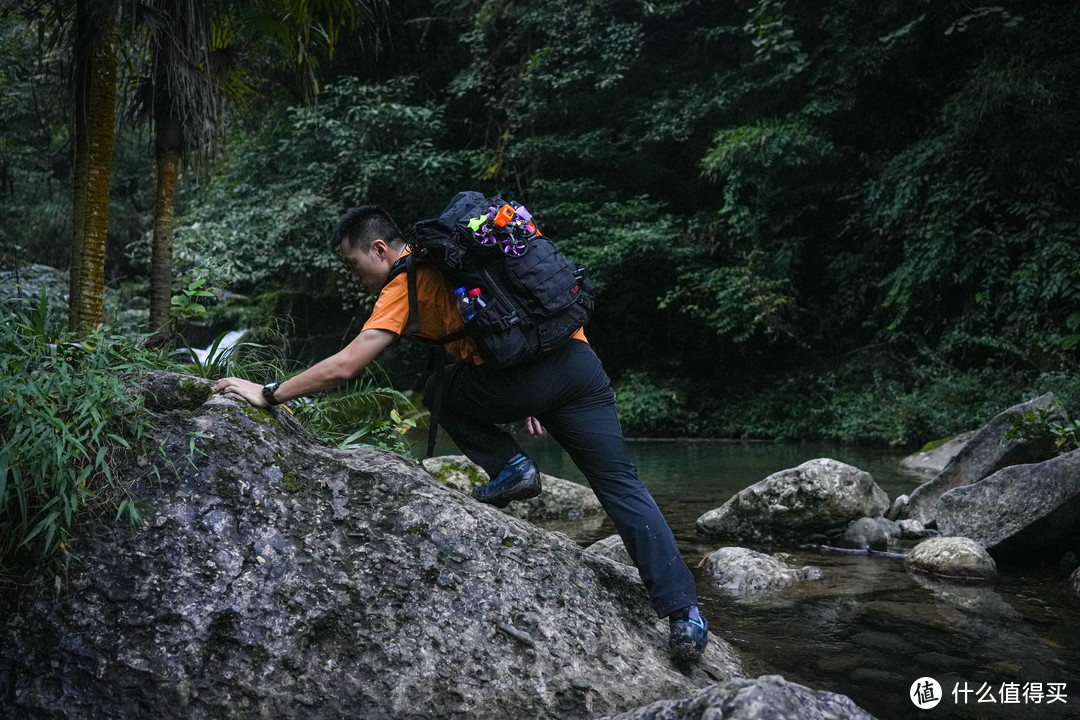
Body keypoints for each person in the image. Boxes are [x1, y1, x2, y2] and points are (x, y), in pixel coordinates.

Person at [213, 203, 710, 663]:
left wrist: (270, 393)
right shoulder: (463, 257)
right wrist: (532, 388)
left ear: (380, 250)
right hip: (578, 366)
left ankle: (512, 467)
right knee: (623, 488)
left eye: (352, 264)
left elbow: (346, 366)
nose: (353, 276)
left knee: (439, 389)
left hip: (528, 380)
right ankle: (686, 616)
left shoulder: (408, 282)